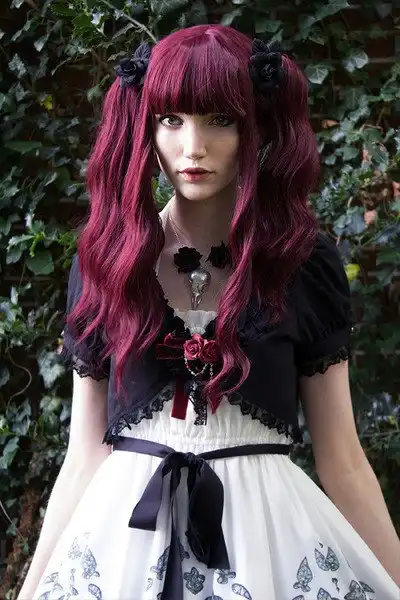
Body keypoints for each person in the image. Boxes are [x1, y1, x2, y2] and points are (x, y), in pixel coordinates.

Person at [18, 24, 399, 600]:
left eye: (220, 119)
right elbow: (82, 457)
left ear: (254, 125)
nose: (192, 146)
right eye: (171, 119)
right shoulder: (107, 258)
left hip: (265, 547)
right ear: (146, 127)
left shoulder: (300, 262)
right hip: (120, 551)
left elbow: (342, 461)